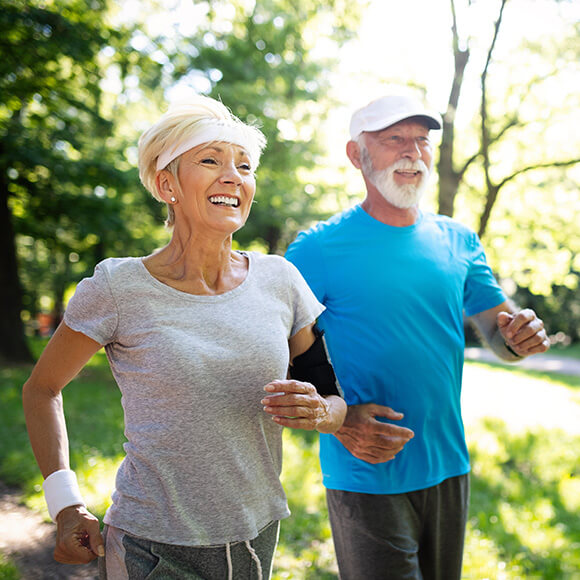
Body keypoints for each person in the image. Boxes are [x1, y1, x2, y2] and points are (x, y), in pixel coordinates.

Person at [22, 94, 346, 580]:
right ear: (166, 184)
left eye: (243, 165)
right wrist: (65, 504)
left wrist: (320, 413)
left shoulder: (281, 280)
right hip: (152, 548)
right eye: (210, 161)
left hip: (256, 538)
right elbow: (41, 389)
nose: (232, 176)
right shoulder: (118, 287)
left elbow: (334, 401)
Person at [285, 93, 550, 580]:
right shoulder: (316, 249)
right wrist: (339, 420)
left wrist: (522, 336)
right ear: (355, 154)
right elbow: (278, 352)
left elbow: (498, 330)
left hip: (449, 464)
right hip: (365, 468)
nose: (413, 151)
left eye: (422, 140)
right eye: (394, 139)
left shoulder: (460, 239)